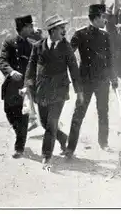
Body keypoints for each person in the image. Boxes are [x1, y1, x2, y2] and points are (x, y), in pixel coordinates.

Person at [24, 14, 82, 169]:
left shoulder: (66, 46)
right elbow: (30, 69)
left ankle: (46, 155)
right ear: (52, 30)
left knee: (51, 122)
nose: (64, 31)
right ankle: (63, 139)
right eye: (61, 28)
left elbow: (74, 69)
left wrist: (79, 91)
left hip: (59, 91)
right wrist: (28, 87)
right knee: (44, 122)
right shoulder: (38, 46)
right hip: (41, 90)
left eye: (64, 28)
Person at [65, 4, 117, 158]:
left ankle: (103, 142)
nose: (105, 20)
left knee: (103, 112)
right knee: (78, 113)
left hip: (102, 81)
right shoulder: (79, 34)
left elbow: (110, 59)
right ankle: (70, 147)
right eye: (103, 17)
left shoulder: (105, 36)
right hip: (85, 81)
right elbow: (68, 53)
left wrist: (113, 77)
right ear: (95, 18)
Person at [0, 15, 36, 158]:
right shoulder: (9, 42)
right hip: (10, 87)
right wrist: (11, 71)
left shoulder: (31, 45)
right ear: (23, 28)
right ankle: (20, 134)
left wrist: (30, 81)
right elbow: (2, 60)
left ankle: (19, 147)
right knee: (9, 112)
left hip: (25, 88)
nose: (32, 29)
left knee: (24, 116)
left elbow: (34, 67)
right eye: (29, 26)